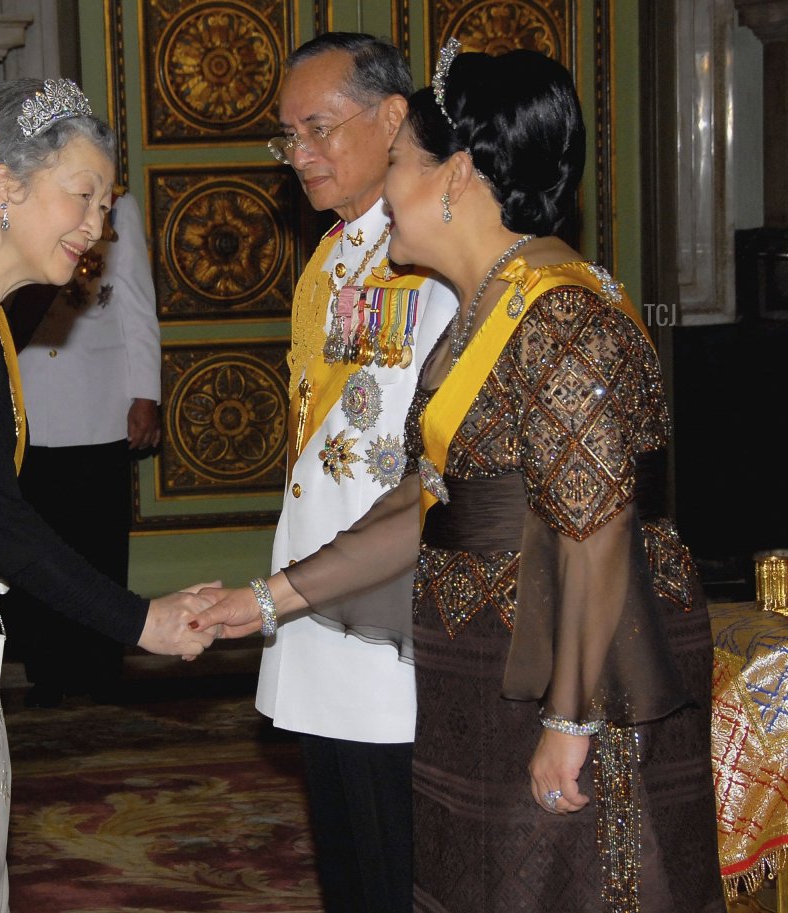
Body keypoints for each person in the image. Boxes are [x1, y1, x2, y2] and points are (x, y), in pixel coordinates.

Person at [193, 43, 725, 912]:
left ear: (458, 176)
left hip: (565, 673)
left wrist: (570, 719)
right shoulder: (483, 307)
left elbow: (594, 534)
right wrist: (271, 600)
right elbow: (433, 501)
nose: (384, 185)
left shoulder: (560, 314)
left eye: (399, 161)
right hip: (481, 669)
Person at [0, 77, 215, 912]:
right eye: (83, 196)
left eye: (107, 202)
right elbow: (1, 525)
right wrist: (145, 621)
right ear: (6, 187)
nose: (98, 227)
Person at [255, 32, 456, 913]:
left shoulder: (437, 256)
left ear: (393, 118)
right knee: (344, 855)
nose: (300, 154)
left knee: (394, 859)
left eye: (319, 129)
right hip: (316, 600)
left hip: (389, 620)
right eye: (287, 136)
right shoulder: (335, 253)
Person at [3, 186, 162, 708]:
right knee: (38, 543)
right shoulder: (13, 197)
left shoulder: (116, 205)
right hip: (28, 398)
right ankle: (46, 668)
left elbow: (137, 304)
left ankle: (98, 665)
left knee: (96, 545)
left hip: (96, 403)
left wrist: (146, 395)